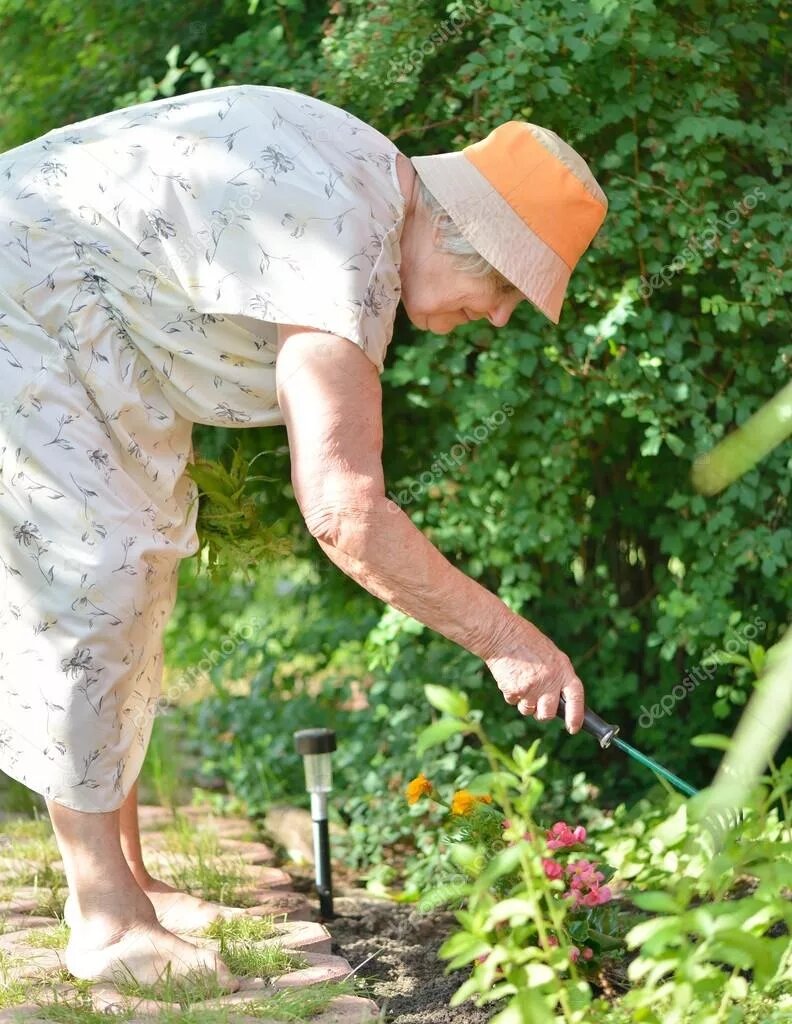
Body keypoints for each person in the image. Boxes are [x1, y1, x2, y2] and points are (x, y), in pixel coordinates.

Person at [0, 84, 608, 985]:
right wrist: (507, 641)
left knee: (141, 563)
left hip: (88, 322)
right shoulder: (348, 243)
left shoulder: (364, 189)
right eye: (507, 287)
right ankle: (105, 919)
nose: (501, 317)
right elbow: (344, 512)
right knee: (101, 565)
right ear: (453, 234)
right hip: (25, 288)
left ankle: (131, 882)